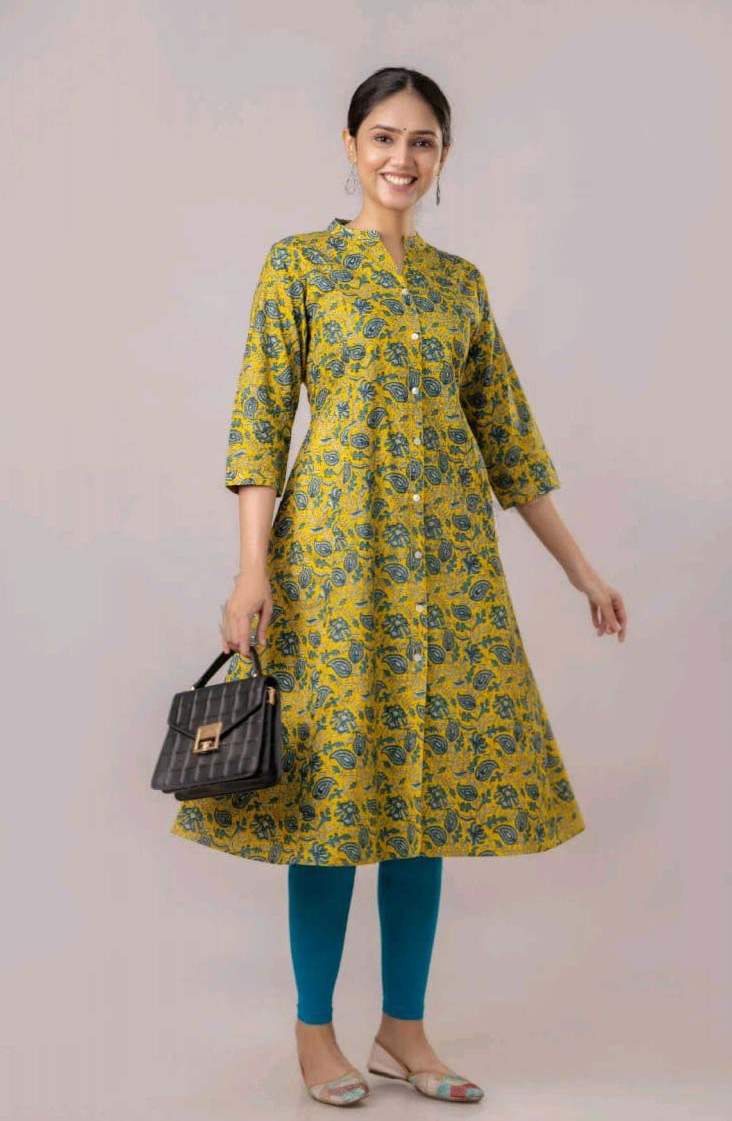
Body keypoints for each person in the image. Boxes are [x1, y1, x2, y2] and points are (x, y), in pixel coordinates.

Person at [170, 66, 627, 1107]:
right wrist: (252, 568)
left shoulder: (460, 285)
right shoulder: (300, 264)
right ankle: (315, 1035)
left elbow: (509, 442)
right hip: (333, 567)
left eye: (422, 141)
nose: (402, 158)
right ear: (350, 145)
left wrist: (583, 571)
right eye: (384, 137)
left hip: (448, 573)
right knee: (331, 798)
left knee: (423, 797)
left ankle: (404, 1029)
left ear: (443, 156)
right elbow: (259, 421)